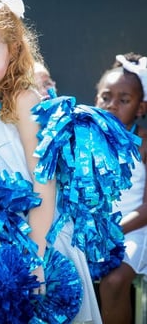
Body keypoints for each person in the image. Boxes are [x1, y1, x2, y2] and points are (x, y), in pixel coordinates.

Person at [0, 0, 102, 322]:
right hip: (4, 244)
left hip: (41, 243)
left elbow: (44, 183)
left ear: (14, 49)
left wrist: (36, 256)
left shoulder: (22, 99)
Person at [95, 52, 147, 324]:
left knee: (113, 282)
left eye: (124, 100)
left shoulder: (145, 144)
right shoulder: (86, 143)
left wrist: (114, 230)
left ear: (141, 108)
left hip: (134, 231)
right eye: (106, 97)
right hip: (95, 231)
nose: (112, 105)